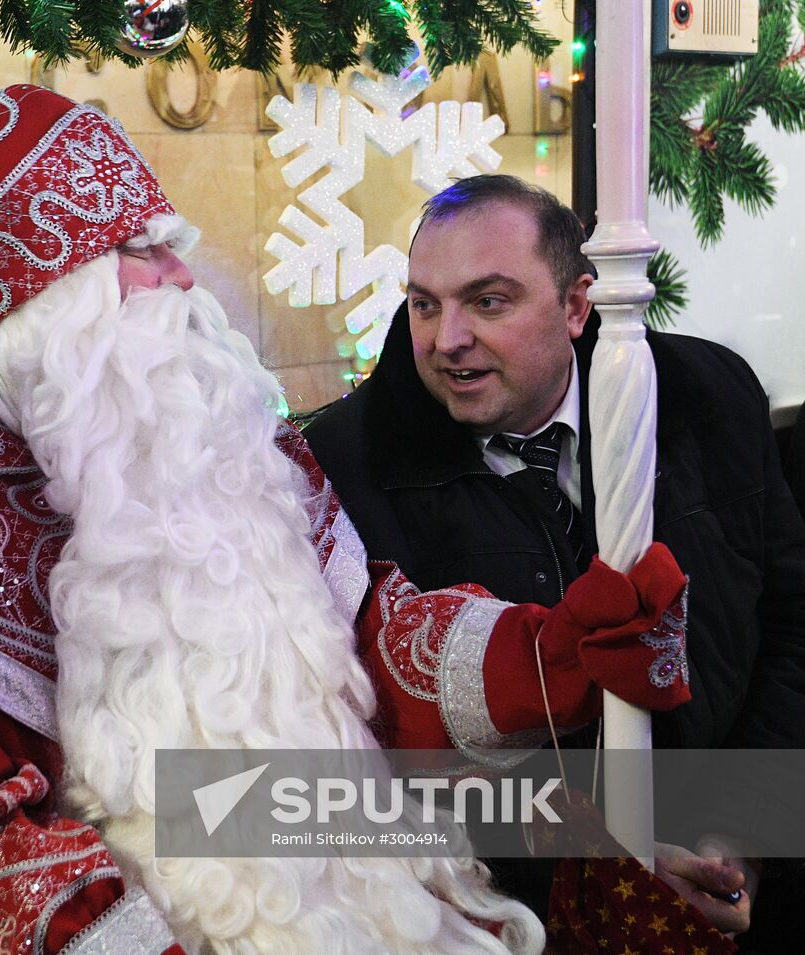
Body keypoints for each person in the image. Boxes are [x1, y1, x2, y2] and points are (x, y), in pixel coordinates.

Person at [0, 85, 692, 953]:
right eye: (141, 251)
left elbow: (363, 640)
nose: (182, 274)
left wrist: (545, 655)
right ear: (45, 312)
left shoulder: (220, 430)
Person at [303, 174, 805, 945]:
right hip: (512, 916)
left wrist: (742, 841)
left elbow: (790, 625)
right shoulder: (347, 466)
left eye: (488, 301)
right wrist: (603, 866)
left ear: (576, 305)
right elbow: (367, 749)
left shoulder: (706, 396)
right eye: (424, 303)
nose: (446, 339)